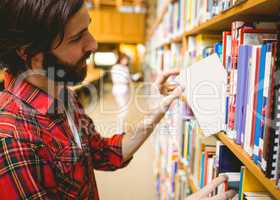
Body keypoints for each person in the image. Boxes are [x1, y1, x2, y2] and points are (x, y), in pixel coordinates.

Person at [0, 0, 236, 199]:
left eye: (88, 29)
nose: (93, 44)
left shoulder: (65, 95)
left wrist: (157, 109)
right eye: (77, 38)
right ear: (28, 51)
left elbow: (104, 152)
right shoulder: (14, 140)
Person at [111, 52, 131, 132]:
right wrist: (125, 80)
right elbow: (117, 79)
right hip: (118, 89)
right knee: (124, 110)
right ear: (120, 59)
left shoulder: (126, 68)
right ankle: (118, 130)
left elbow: (128, 79)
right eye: (124, 59)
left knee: (123, 109)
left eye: (126, 59)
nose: (126, 61)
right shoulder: (116, 67)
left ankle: (121, 129)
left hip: (126, 89)